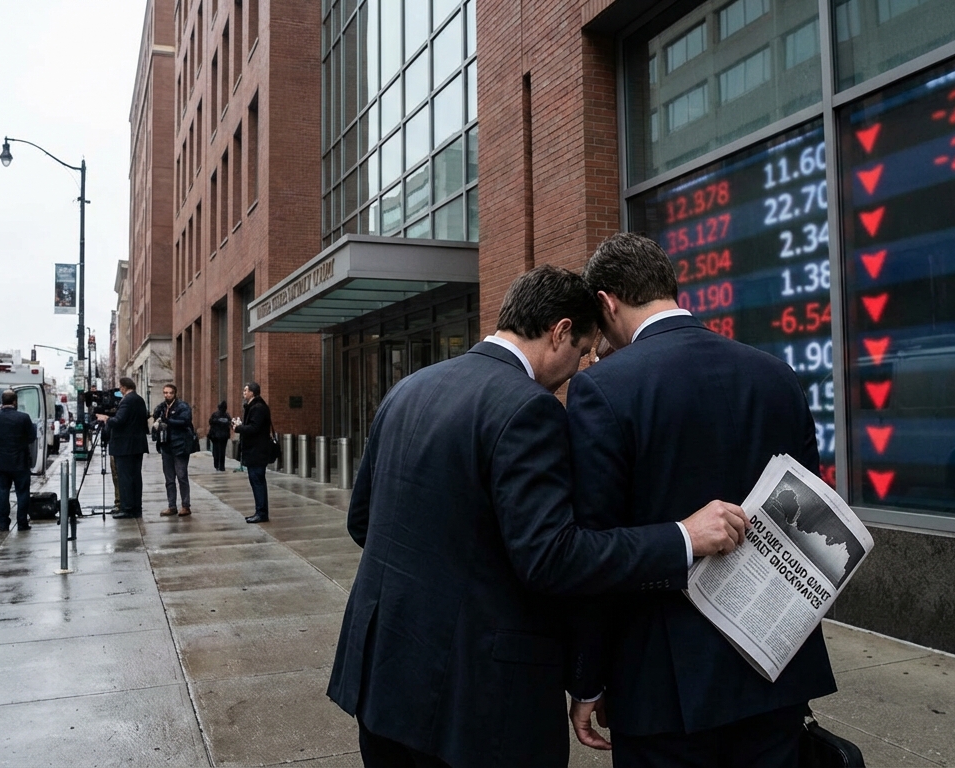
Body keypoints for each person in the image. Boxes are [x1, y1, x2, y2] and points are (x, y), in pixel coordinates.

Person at [327, 265, 750, 768]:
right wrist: (684, 536)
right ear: (561, 331)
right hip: (474, 701)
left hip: (383, 681)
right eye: (583, 352)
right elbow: (552, 556)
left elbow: (363, 522)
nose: (581, 368)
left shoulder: (409, 388)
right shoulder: (529, 408)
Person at [565, 233, 837, 768]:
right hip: (775, 667)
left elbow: (597, 546)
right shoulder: (776, 375)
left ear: (606, 302)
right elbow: (813, 514)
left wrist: (588, 680)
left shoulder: (603, 389)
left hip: (664, 686)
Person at [0, 389, 37, 532]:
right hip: (20, 461)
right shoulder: (23, 418)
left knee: (2, 492)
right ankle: (22, 523)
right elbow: (31, 437)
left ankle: (3, 523)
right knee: (22, 492)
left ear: (2, 401)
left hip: (1, 462)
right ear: (15, 402)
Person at [99, 377, 149, 519]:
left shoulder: (127, 400)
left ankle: (127, 508)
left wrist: (106, 419)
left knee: (125, 477)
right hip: (137, 445)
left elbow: (119, 421)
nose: (119, 390)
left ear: (123, 387)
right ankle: (136, 507)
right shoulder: (139, 399)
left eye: (120, 387)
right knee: (135, 477)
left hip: (125, 446)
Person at [152, 383, 195, 517]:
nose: (167, 395)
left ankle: (185, 506)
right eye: (165, 393)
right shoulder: (162, 407)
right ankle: (172, 506)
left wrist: (168, 421)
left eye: (170, 393)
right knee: (169, 479)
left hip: (180, 446)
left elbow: (185, 421)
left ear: (175, 393)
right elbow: (156, 419)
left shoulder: (182, 406)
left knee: (182, 476)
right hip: (166, 446)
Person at [234, 382, 273, 523]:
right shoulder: (254, 407)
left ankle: (261, 513)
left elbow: (254, 428)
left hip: (257, 451)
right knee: (257, 481)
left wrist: (238, 428)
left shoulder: (258, 408)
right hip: (254, 451)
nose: (243, 393)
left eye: (246, 390)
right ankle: (260, 511)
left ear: (252, 392)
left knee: (257, 481)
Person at [208, 401, 232, 471]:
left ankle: (217, 465)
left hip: (216, 436)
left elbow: (210, 422)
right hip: (224, 437)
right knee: (222, 451)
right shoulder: (227, 416)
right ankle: (221, 466)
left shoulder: (215, 415)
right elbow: (230, 423)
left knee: (216, 451)